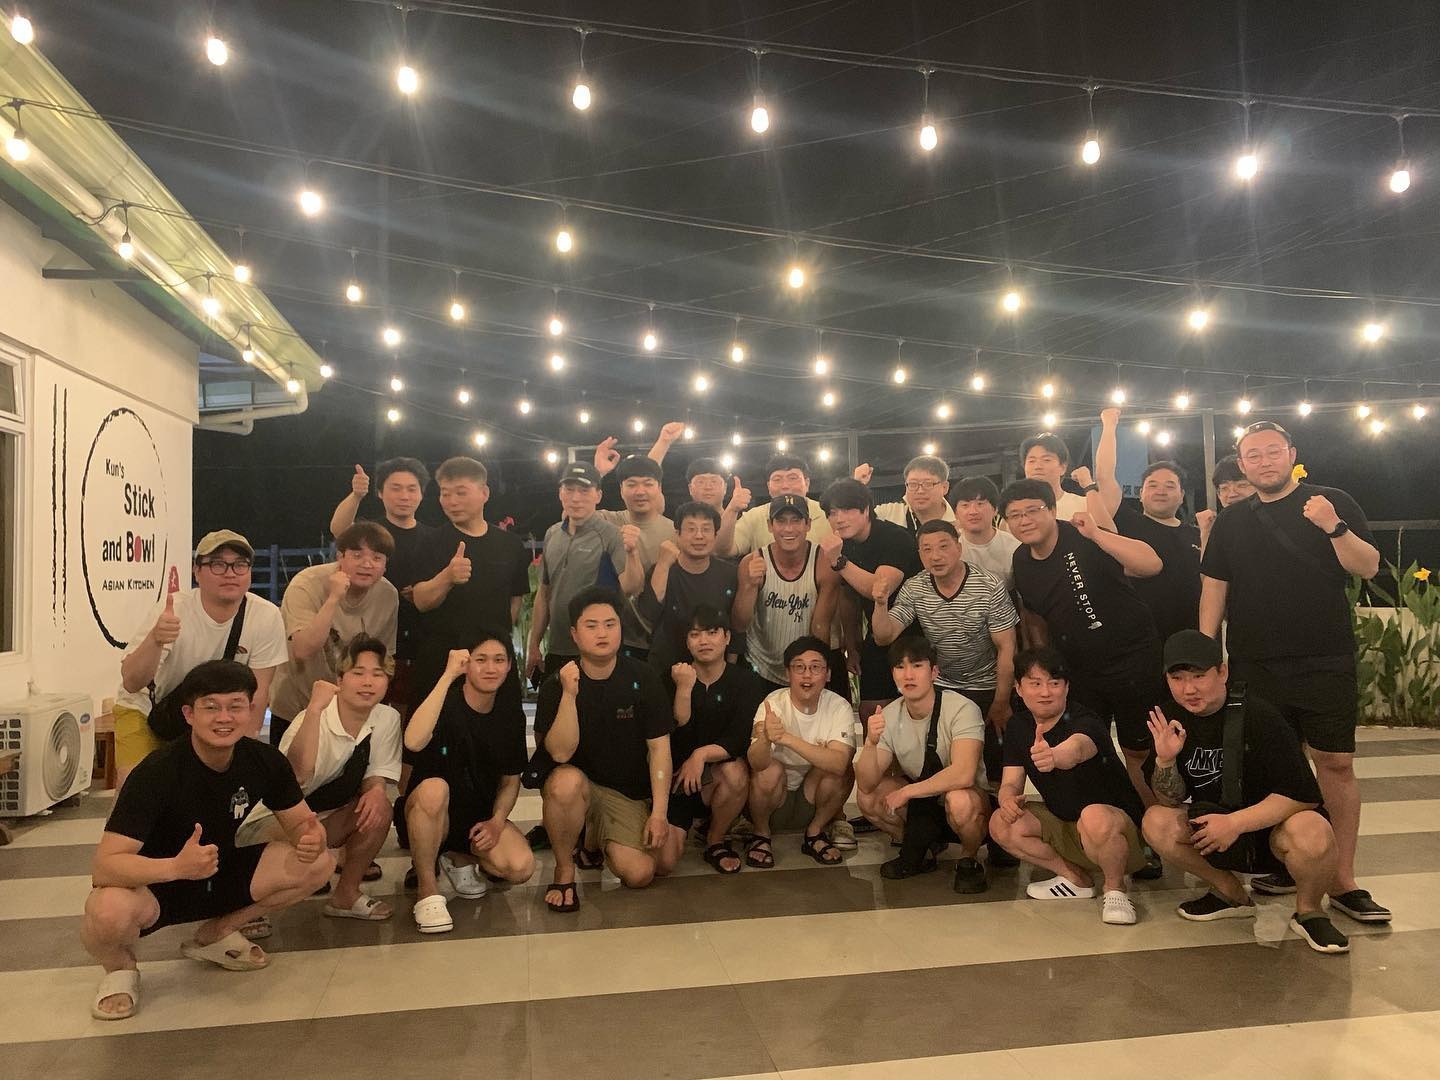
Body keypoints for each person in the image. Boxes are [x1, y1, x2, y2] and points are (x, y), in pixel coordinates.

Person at [1200, 420, 1389, 923]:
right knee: (1272, 766)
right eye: (1253, 455)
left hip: (1324, 658)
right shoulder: (1231, 522)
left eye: (1272, 451)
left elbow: (1368, 566)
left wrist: (1334, 526)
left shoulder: (1331, 502)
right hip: (1253, 663)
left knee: (1335, 763)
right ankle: (1289, 862)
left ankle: (1343, 880)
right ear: (1242, 464)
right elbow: (1214, 588)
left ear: (1291, 454)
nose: (1264, 462)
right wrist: (1207, 652)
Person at [81, 660, 333, 1021]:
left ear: (250, 710)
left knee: (320, 862)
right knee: (105, 911)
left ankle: (218, 932)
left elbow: (301, 826)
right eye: (211, 707)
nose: (224, 718)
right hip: (155, 887)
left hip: (221, 871)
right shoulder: (155, 773)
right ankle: (120, 970)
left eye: (235, 706)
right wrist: (175, 867)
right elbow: (105, 866)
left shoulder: (264, 761)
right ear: (189, 714)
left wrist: (311, 839)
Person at [1141, 631, 1350, 954]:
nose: (1189, 689)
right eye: (1177, 678)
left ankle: (1310, 911)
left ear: (1222, 672)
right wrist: (1165, 760)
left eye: (1199, 676)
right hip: (1217, 831)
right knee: (1156, 820)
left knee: (1313, 830)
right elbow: (1169, 800)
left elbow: (1302, 794)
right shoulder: (1169, 718)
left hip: (1273, 832)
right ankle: (1230, 894)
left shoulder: (1259, 715)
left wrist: (1235, 823)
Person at [1001, 479, 1164, 820]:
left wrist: (1098, 535)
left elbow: (1152, 565)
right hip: (1080, 668)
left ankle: (1151, 826)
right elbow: (1035, 617)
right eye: (1015, 515)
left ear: (1052, 510)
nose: (1025, 520)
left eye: (1033, 510)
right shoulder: (1021, 560)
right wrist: (1044, 666)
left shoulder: (1082, 534)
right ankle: (1108, 822)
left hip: (1133, 658)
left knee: (1138, 751)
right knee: (1089, 746)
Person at [532, 587, 683, 912]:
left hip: (625, 793)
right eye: (591, 625)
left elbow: (659, 749)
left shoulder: (643, 677)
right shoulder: (556, 684)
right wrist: (569, 695)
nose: (602, 633)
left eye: (610, 624)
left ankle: (591, 839)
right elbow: (559, 754)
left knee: (645, 871)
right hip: (577, 786)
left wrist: (659, 813)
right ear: (575, 634)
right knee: (565, 783)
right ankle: (564, 869)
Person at [236, 636, 401, 924]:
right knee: (314, 853)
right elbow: (296, 776)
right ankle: (244, 907)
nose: (368, 682)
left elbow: (377, 772)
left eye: (378, 674)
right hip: (269, 822)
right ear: (340, 679)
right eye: (358, 673)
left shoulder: (386, 718)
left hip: (320, 819)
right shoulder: (313, 717)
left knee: (380, 808)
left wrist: (376, 790)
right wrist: (313, 711)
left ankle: (346, 895)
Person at [989, 648, 1147, 925]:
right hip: (1066, 823)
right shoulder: (1018, 725)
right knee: (1001, 822)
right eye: (1035, 683)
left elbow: (1078, 748)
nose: (1045, 692)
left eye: (1054, 683)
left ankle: (1115, 889)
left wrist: (1054, 756)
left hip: (1119, 834)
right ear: (1019, 688)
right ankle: (1075, 879)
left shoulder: (1086, 720)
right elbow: (1011, 782)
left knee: (1093, 815)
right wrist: (1007, 799)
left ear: (1067, 687)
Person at [115, 530, 287, 785]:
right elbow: (131, 683)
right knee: (136, 788)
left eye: (240, 565)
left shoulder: (266, 616)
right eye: (218, 564)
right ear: (197, 571)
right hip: (148, 707)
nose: (230, 573)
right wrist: (155, 639)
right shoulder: (174, 610)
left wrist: (243, 753)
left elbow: (258, 694)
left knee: (208, 787)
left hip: (209, 715)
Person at [403, 633, 537, 933]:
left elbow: (510, 781)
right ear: (466, 664)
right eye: (481, 660)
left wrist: (497, 822)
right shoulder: (444, 702)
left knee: (520, 866)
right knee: (435, 790)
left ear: (509, 666)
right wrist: (448, 676)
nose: (490, 668)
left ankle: (458, 857)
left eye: (499, 660)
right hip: (430, 811)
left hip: (476, 819)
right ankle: (427, 890)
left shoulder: (509, 715)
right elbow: (413, 741)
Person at [871, 519, 1018, 789]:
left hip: (987, 685)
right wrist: (880, 604)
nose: (935, 556)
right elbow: (884, 636)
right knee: (946, 767)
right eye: (927, 549)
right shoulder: (915, 587)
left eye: (943, 546)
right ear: (919, 555)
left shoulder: (989, 585)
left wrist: (1001, 701)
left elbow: (1007, 647)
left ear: (958, 548)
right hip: (941, 686)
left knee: (994, 772)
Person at [854, 639, 992, 892]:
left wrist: (907, 792)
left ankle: (969, 859)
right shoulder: (889, 714)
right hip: (923, 804)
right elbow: (865, 784)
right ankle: (921, 848)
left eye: (917, 665)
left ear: (934, 672)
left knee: (959, 800)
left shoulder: (961, 708)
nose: (908, 675)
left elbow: (963, 773)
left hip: (966, 796)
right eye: (900, 667)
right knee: (869, 797)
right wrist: (871, 743)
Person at [268, 522, 399, 747]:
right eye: (357, 555)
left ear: (385, 565)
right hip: (296, 707)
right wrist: (334, 598)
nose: (367, 564)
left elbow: (382, 660)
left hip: (351, 713)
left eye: (377, 558)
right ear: (340, 556)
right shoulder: (306, 584)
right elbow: (303, 650)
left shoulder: (388, 595)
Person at [410, 456, 531, 694]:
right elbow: (421, 601)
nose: (452, 501)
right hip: (442, 662)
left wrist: (496, 638)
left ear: (484, 493)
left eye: (461, 492)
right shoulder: (429, 542)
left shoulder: (510, 544)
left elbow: (515, 598)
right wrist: (447, 577)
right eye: (445, 493)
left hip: (493, 664)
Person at [328, 457, 437, 714]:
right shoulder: (371, 533)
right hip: (373, 639)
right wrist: (356, 495)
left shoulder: (434, 537)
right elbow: (339, 529)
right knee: (369, 712)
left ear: (422, 494)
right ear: (380, 493)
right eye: (395, 488)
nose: (404, 496)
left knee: (410, 715)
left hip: (420, 641)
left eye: (411, 489)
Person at [668, 606, 769, 873]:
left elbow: (739, 738)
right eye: (695, 634)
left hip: (717, 777)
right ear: (686, 642)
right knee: (664, 862)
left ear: (727, 637)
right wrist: (683, 689)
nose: (704, 641)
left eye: (712, 633)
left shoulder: (746, 682)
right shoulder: (673, 677)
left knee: (736, 772)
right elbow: (674, 735)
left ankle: (715, 839)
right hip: (677, 778)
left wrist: (700, 755)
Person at [744, 636, 856, 869]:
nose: (807, 675)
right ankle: (761, 834)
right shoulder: (773, 703)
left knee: (842, 769)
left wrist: (786, 738)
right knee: (769, 769)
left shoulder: (839, 706)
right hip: (774, 801)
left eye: (815, 667)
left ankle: (815, 833)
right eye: (799, 667)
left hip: (813, 800)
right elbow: (756, 763)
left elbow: (839, 763)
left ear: (828, 674)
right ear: (788, 673)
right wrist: (765, 738)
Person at [1091, 408, 1202, 642]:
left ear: (1182, 495)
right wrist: (1109, 425)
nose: (1161, 491)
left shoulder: (1198, 535)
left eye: (1170, 486)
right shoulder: (1125, 521)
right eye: (1153, 485)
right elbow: (1104, 476)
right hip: (1136, 640)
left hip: (1191, 640)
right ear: (1140, 494)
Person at [526, 463, 644, 681]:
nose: (576, 498)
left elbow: (632, 588)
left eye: (584, 490)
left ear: (598, 495)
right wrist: (534, 645)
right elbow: (544, 594)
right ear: (560, 493)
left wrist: (633, 553)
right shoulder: (552, 534)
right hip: (557, 648)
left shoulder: (611, 535)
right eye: (569, 490)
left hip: (598, 654)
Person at [819, 477, 923, 718]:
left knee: (913, 710)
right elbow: (848, 598)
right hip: (877, 633)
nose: (839, 518)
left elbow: (879, 589)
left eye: (847, 510)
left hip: (916, 632)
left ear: (866, 510)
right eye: (832, 513)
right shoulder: (844, 545)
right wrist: (852, 646)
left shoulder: (895, 537)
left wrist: (839, 562)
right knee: (870, 711)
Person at [732, 495, 841, 689]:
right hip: (760, 666)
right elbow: (740, 624)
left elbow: (820, 625)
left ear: (808, 524)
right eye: (781, 521)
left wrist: (818, 670)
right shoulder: (752, 561)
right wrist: (749, 586)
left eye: (796, 520)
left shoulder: (823, 562)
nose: (788, 529)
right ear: (770, 525)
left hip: (804, 670)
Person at [592, 446, 679, 661]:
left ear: (659, 488)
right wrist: (597, 474)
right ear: (621, 490)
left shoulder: (675, 532)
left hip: (663, 642)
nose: (640, 491)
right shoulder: (608, 521)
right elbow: (572, 516)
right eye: (631, 484)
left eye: (648, 484)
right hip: (616, 641)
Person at [640, 501, 740, 674]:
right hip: (665, 667)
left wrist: (730, 669)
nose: (699, 536)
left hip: (713, 671)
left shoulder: (730, 573)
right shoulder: (662, 569)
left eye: (706, 529)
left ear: (715, 535)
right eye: (691, 529)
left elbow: (736, 626)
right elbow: (650, 612)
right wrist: (663, 564)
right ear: (677, 534)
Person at [723, 454, 833, 557]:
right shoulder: (753, 517)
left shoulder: (827, 512)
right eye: (777, 479)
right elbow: (724, 550)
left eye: (793, 478)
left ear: (807, 483)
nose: (785, 486)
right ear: (768, 487)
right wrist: (732, 509)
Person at [1001, 432, 1088, 530]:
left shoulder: (1083, 505)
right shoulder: (1012, 512)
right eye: (1031, 461)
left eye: (1046, 460)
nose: (1037, 466)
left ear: (1063, 468)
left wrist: (1089, 485)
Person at [851, 455, 957, 535]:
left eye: (928, 484)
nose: (920, 491)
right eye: (913, 484)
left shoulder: (960, 522)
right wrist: (857, 485)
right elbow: (856, 523)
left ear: (945, 487)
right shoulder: (889, 514)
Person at [952, 475, 1021, 588]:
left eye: (980, 504)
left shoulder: (1015, 547)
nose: (973, 511)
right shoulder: (951, 549)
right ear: (955, 513)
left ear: (995, 509)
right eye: (965, 505)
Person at [1195, 454, 1255, 556]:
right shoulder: (1220, 529)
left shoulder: (1273, 521)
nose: (1232, 494)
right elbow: (1210, 565)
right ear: (1218, 495)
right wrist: (1206, 534)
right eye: (1224, 488)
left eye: (1241, 485)